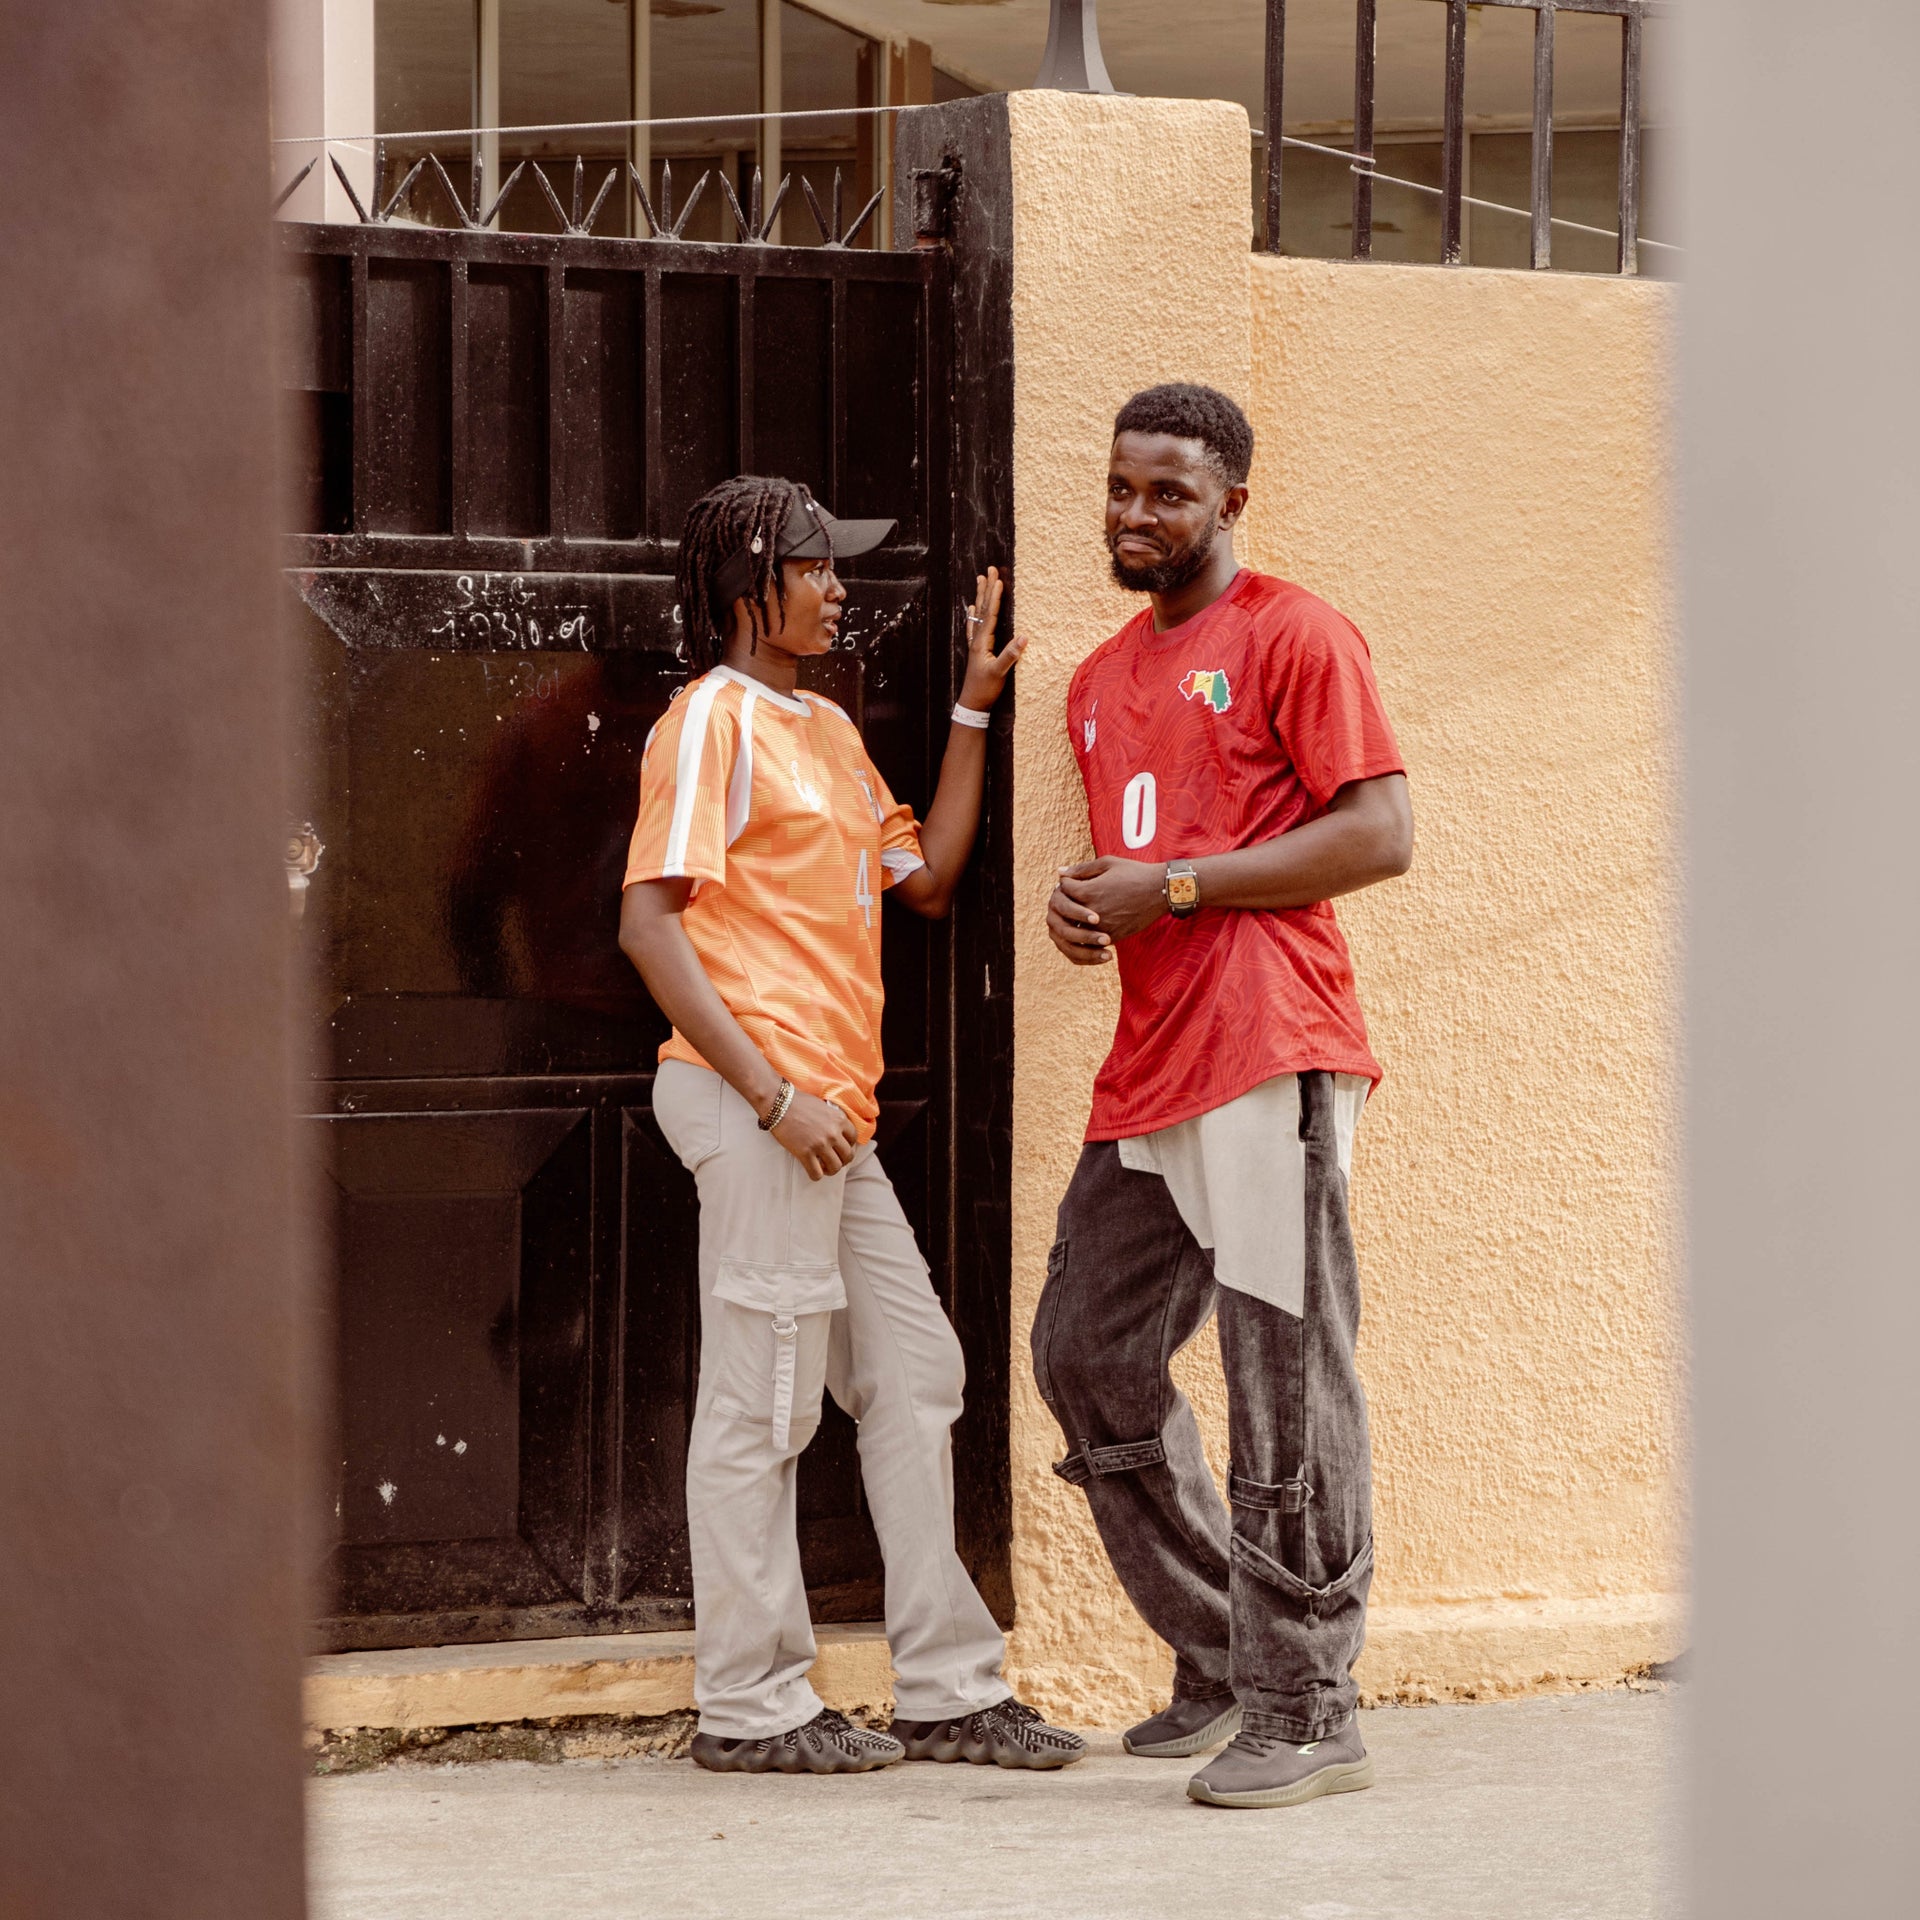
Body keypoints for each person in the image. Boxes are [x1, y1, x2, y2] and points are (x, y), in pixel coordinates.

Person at [620, 474, 1086, 1777]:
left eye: (841, 567)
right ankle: (750, 1707)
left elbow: (923, 878)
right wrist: (772, 1098)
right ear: (748, 583)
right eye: (819, 568)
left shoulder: (822, 727)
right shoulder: (709, 723)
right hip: (760, 1103)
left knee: (916, 1374)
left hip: (836, 1116)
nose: (841, 590)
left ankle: (946, 1688)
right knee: (762, 1407)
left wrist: (971, 712)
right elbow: (648, 924)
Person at [1037, 384, 1413, 1809]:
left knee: (1284, 1379)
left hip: (1269, 1046)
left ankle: (1309, 1702)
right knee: (1085, 1351)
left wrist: (1177, 888)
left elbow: (1380, 833)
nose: (1138, 516)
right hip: (1150, 1065)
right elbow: (1147, 864)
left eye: (1171, 494)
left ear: (1231, 503)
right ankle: (1222, 1642)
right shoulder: (1093, 678)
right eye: (1124, 489)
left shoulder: (1295, 634)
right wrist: (1098, 915)